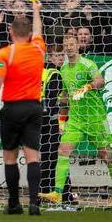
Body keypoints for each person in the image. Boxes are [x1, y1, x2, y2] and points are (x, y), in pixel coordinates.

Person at [39, 35, 112, 207]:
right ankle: (57, 193)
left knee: (106, 155)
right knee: (63, 151)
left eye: (72, 45)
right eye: (66, 46)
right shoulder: (63, 69)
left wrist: (87, 87)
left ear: (78, 46)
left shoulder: (88, 64)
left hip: (95, 118)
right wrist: (61, 119)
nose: (69, 48)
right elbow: (65, 96)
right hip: (76, 120)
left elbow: (100, 81)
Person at [0, 1, 45, 215]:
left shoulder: (5, 54)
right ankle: (34, 203)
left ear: (10, 31)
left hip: (12, 109)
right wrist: (36, 10)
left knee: (10, 157)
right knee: (33, 157)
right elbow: (38, 29)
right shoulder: (38, 48)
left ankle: (15, 204)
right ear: (29, 33)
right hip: (34, 108)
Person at [40, 44, 75, 204]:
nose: (61, 58)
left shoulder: (43, 71)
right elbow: (53, 101)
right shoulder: (55, 74)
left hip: (37, 120)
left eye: (62, 55)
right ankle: (65, 195)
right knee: (58, 157)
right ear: (49, 57)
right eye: (57, 55)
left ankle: (44, 192)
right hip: (49, 121)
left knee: (47, 158)